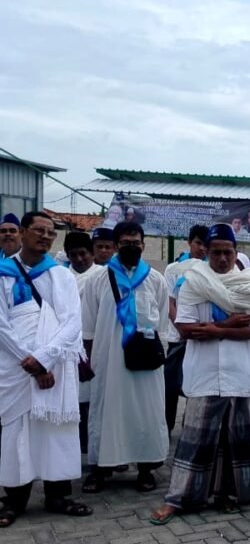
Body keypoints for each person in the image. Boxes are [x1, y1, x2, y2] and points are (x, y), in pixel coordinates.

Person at [149, 224, 250, 524]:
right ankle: (178, 499)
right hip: (203, 372)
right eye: (216, 251)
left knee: (233, 440)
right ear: (206, 251)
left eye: (227, 252)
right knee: (194, 439)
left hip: (237, 372)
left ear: (236, 253)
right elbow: (185, 328)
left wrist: (217, 329)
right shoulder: (193, 282)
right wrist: (232, 324)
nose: (222, 258)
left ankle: (228, 495)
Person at [0, 212, 92, 528]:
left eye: (51, 232)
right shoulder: (3, 273)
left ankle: (59, 495)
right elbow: (1, 325)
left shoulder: (62, 276)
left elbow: (71, 323)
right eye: (38, 230)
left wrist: (46, 359)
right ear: (23, 233)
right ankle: (13, 500)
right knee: (17, 432)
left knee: (56, 431)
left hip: (54, 366)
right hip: (15, 367)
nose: (45, 236)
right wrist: (30, 361)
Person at [81, 222, 170, 494]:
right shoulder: (97, 279)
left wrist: (159, 357)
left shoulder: (156, 280)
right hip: (108, 361)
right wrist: (87, 362)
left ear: (143, 244)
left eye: (136, 242)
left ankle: (146, 470)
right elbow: (88, 326)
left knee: (147, 413)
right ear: (117, 245)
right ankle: (100, 469)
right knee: (106, 411)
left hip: (146, 363)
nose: (132, 247)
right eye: (126, 242)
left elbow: (163, 325)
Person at [162, 225, 209, 436]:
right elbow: (169, 302)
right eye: (198, 243)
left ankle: (190, 426)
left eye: (206, 245)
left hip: (199, 336)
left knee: (195, 384)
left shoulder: (210, 270)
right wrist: (181, 326)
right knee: (171, 385)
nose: (202, 249)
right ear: (189, 242)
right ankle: (166, 426)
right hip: (177, 336)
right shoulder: (174, 269)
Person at [63, 232, 105, 453]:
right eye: (74, 255)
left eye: (83, 253)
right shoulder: (62, 277)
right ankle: (81, 445)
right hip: (71, 346)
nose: (79, 259)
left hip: (99, 344)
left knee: (101, 399)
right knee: (78, 398)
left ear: (92, 253)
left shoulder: (103, 275)